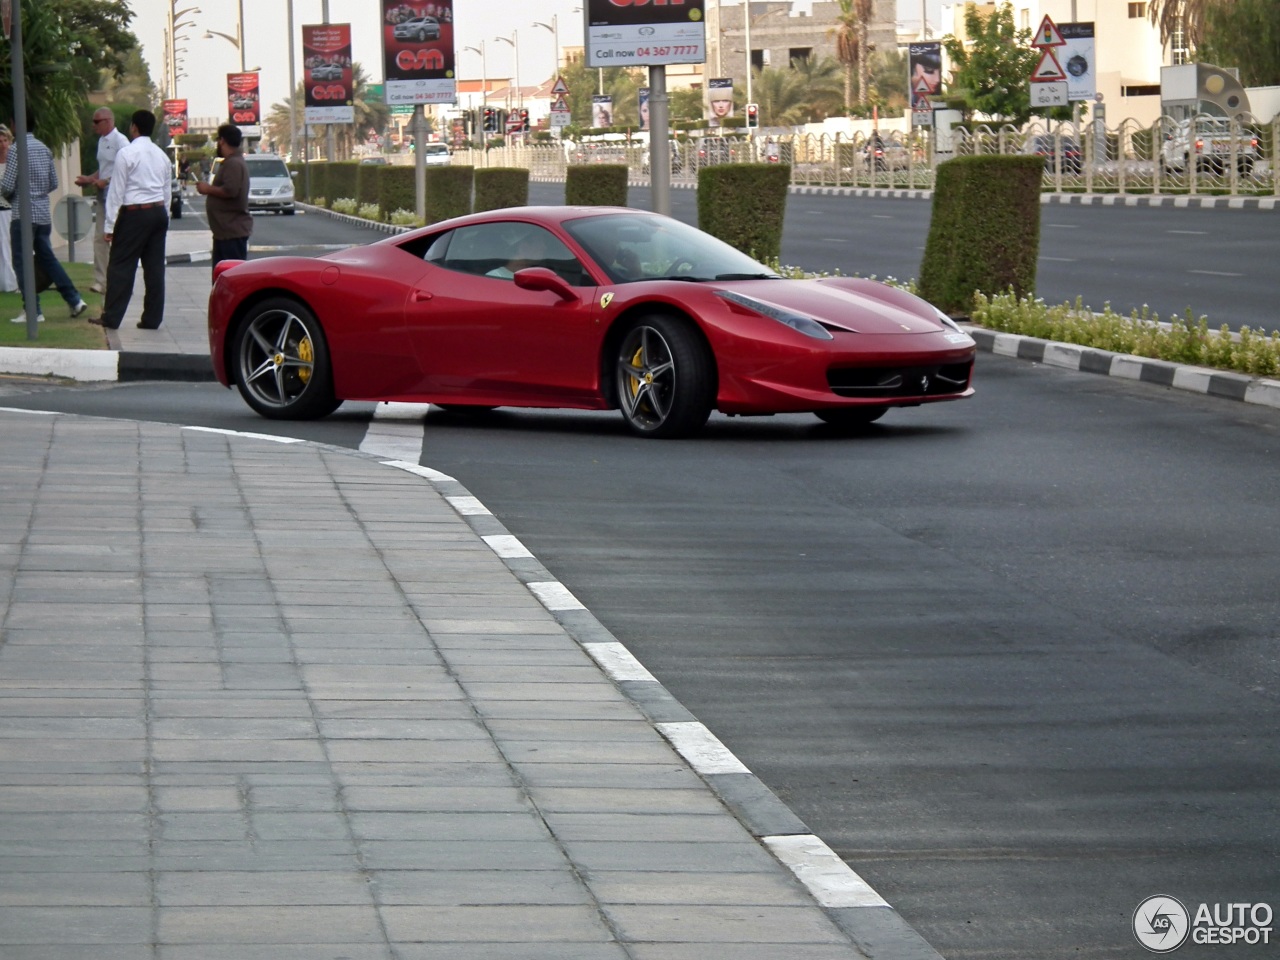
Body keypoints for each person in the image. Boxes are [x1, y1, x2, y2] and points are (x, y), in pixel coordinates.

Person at [0, 110, 89, 323]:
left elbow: (7, 184)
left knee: (22, 262)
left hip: (22, 213)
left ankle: (33, 310)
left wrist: (9, 194)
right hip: (42, 214)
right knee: (48, 259)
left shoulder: (15, 150)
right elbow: (53, 182)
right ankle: (74, 299)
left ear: (14, 124)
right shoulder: (43, 148)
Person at [90, 110, 171, 331]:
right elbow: (166, 191)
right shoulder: (161, 155)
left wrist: (109, 225)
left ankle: (112, 317)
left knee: (120, 266)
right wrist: (166, 218)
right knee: (154, 269)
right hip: (157, 212)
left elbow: (117, 192)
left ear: (134, 127)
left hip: (135, 213)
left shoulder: (127, 153)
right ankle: (152, 319)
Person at [74, 108, 129, 295]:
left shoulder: (120, 141)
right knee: (99, 239)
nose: (94, 125)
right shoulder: (102, 141)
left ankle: (117, 281)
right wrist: (89, 179)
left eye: (97, 122)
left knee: (117, 239)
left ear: (108, 121)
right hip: (103, 196)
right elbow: (103, 169)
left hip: (117, 198)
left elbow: (126, 170)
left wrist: (106, 181)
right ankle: (101, 281)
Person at [195, 124, 252, 274]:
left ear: (222, 141)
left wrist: (208, 189)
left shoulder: (233, 163)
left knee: (230, 278)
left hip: (231, 234)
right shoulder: (232, 161)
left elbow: (230, 190)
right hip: (225, 233)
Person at [0, 125, 17, 292]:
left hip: (12, 208)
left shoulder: (14, 161)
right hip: (0, 209)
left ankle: (15, 282)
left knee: (12, 245)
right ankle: (6, 282)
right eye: (0, 141)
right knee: (2, 246)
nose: (3, 144)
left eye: (5, 140)